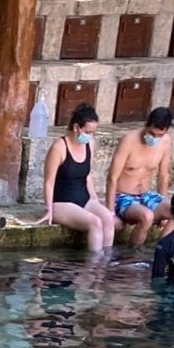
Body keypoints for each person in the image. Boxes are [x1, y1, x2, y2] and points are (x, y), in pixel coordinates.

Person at [38, 102, 116, 253]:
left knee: (107, 218)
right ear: (76, 128)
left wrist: (94, 199)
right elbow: (49, 182)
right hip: (61, 203)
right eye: (88, 131)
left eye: (93, 132)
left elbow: (87, 174)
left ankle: (105, 266)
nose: (90, 136)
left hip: (83, 199)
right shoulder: (58, 148)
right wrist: (49, 209)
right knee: (95, 222)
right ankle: (93, 268)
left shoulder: (90, 144)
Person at [106, 107, 174, 247]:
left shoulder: (166, 141)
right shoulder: (129, 140)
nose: (154, 138)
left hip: (146, 195)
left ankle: (161, 252)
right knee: (147, 217)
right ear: (146, 125)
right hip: (123, 196)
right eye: (151, 133)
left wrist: (162, 201)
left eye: (159, 135)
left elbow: (163, 176)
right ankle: (133, 256)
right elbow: (112, 177)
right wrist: (110, 213)